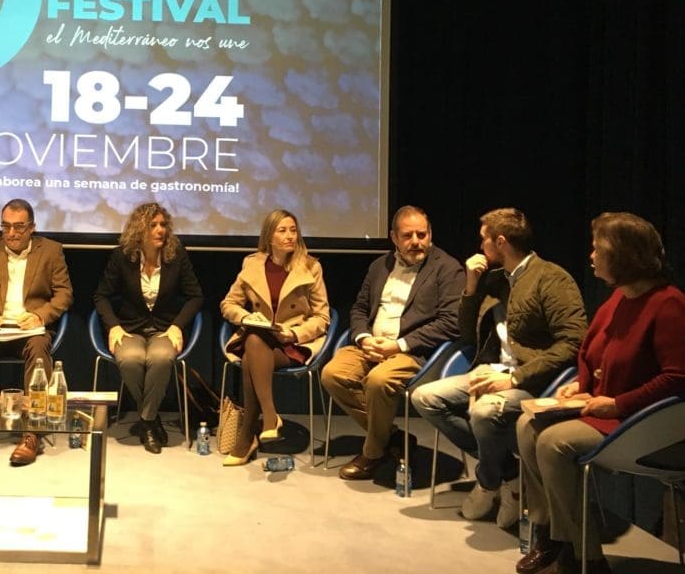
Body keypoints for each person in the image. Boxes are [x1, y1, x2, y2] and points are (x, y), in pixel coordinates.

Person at [515, 212, 685, 574]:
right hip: (605, 411)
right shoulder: (617, 299)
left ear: (622, 255)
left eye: (597, 249)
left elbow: (677, 377)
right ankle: (551, 534)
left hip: (641, 421)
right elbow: (592, 355)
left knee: (554, 442)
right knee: (526, 426)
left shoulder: (668, 304)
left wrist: (618, 404)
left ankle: (585, 558)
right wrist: (581, 385)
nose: (591, 256)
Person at [411, 208, 587, 528]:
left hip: (535, 382)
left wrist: (515, 378)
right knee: (425, 397)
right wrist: (471, 285)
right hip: (491, 371)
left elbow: (572, 343)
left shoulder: (552, 278)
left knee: (484, 412)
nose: (480, 247)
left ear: (501, 241)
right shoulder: (494, 280)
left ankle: (487, 481)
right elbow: (466, 334)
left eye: (484, 240)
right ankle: (508, 474)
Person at [320, 205, 463, 479]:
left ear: (430, 234)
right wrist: (364, 338)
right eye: (408, 235)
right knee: (332, 374)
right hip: (372, 344)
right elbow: (359, 309)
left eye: (422, 234)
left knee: (378, 381)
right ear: (394, 237)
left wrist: (398, 345)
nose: (416, 241)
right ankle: (393, 437)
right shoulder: (380, 266)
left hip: (414, 351)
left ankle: (373, 452)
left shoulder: (447, 269)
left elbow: (450, 322)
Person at [0, 198, 73, 467]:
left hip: (30, 329)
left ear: (32, 227)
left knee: (39, 349)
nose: (11, 233)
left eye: (19, 227)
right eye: (5, 226)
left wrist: (40, 316)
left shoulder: (51, 251)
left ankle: (32, 432)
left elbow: (64, 294)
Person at [219, 208, 330, 466]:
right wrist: (247, 318)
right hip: (259, 338)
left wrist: (293, 333)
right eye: (282, 230)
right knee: (254, 342)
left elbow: (322, 317)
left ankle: (248, 436)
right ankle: (269, 417)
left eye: (293, 230)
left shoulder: (311, 267)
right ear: (269, 236)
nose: (290, 236)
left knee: (251, 356)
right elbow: (228, 304)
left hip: (291, 343)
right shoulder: (252, 264)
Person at [93, 202, 204, 454]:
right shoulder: (122, 256)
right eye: (152, 225)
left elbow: (196, 296)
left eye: (163, 225)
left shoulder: (176, 255)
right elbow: (101, 296)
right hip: (130, 328)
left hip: (164, 328)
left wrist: (177, 326)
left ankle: (146, 421)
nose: (160, 230)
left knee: (161, 357)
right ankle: (151, 420)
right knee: (130, 359)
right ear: (139, 229)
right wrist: (113, 326)